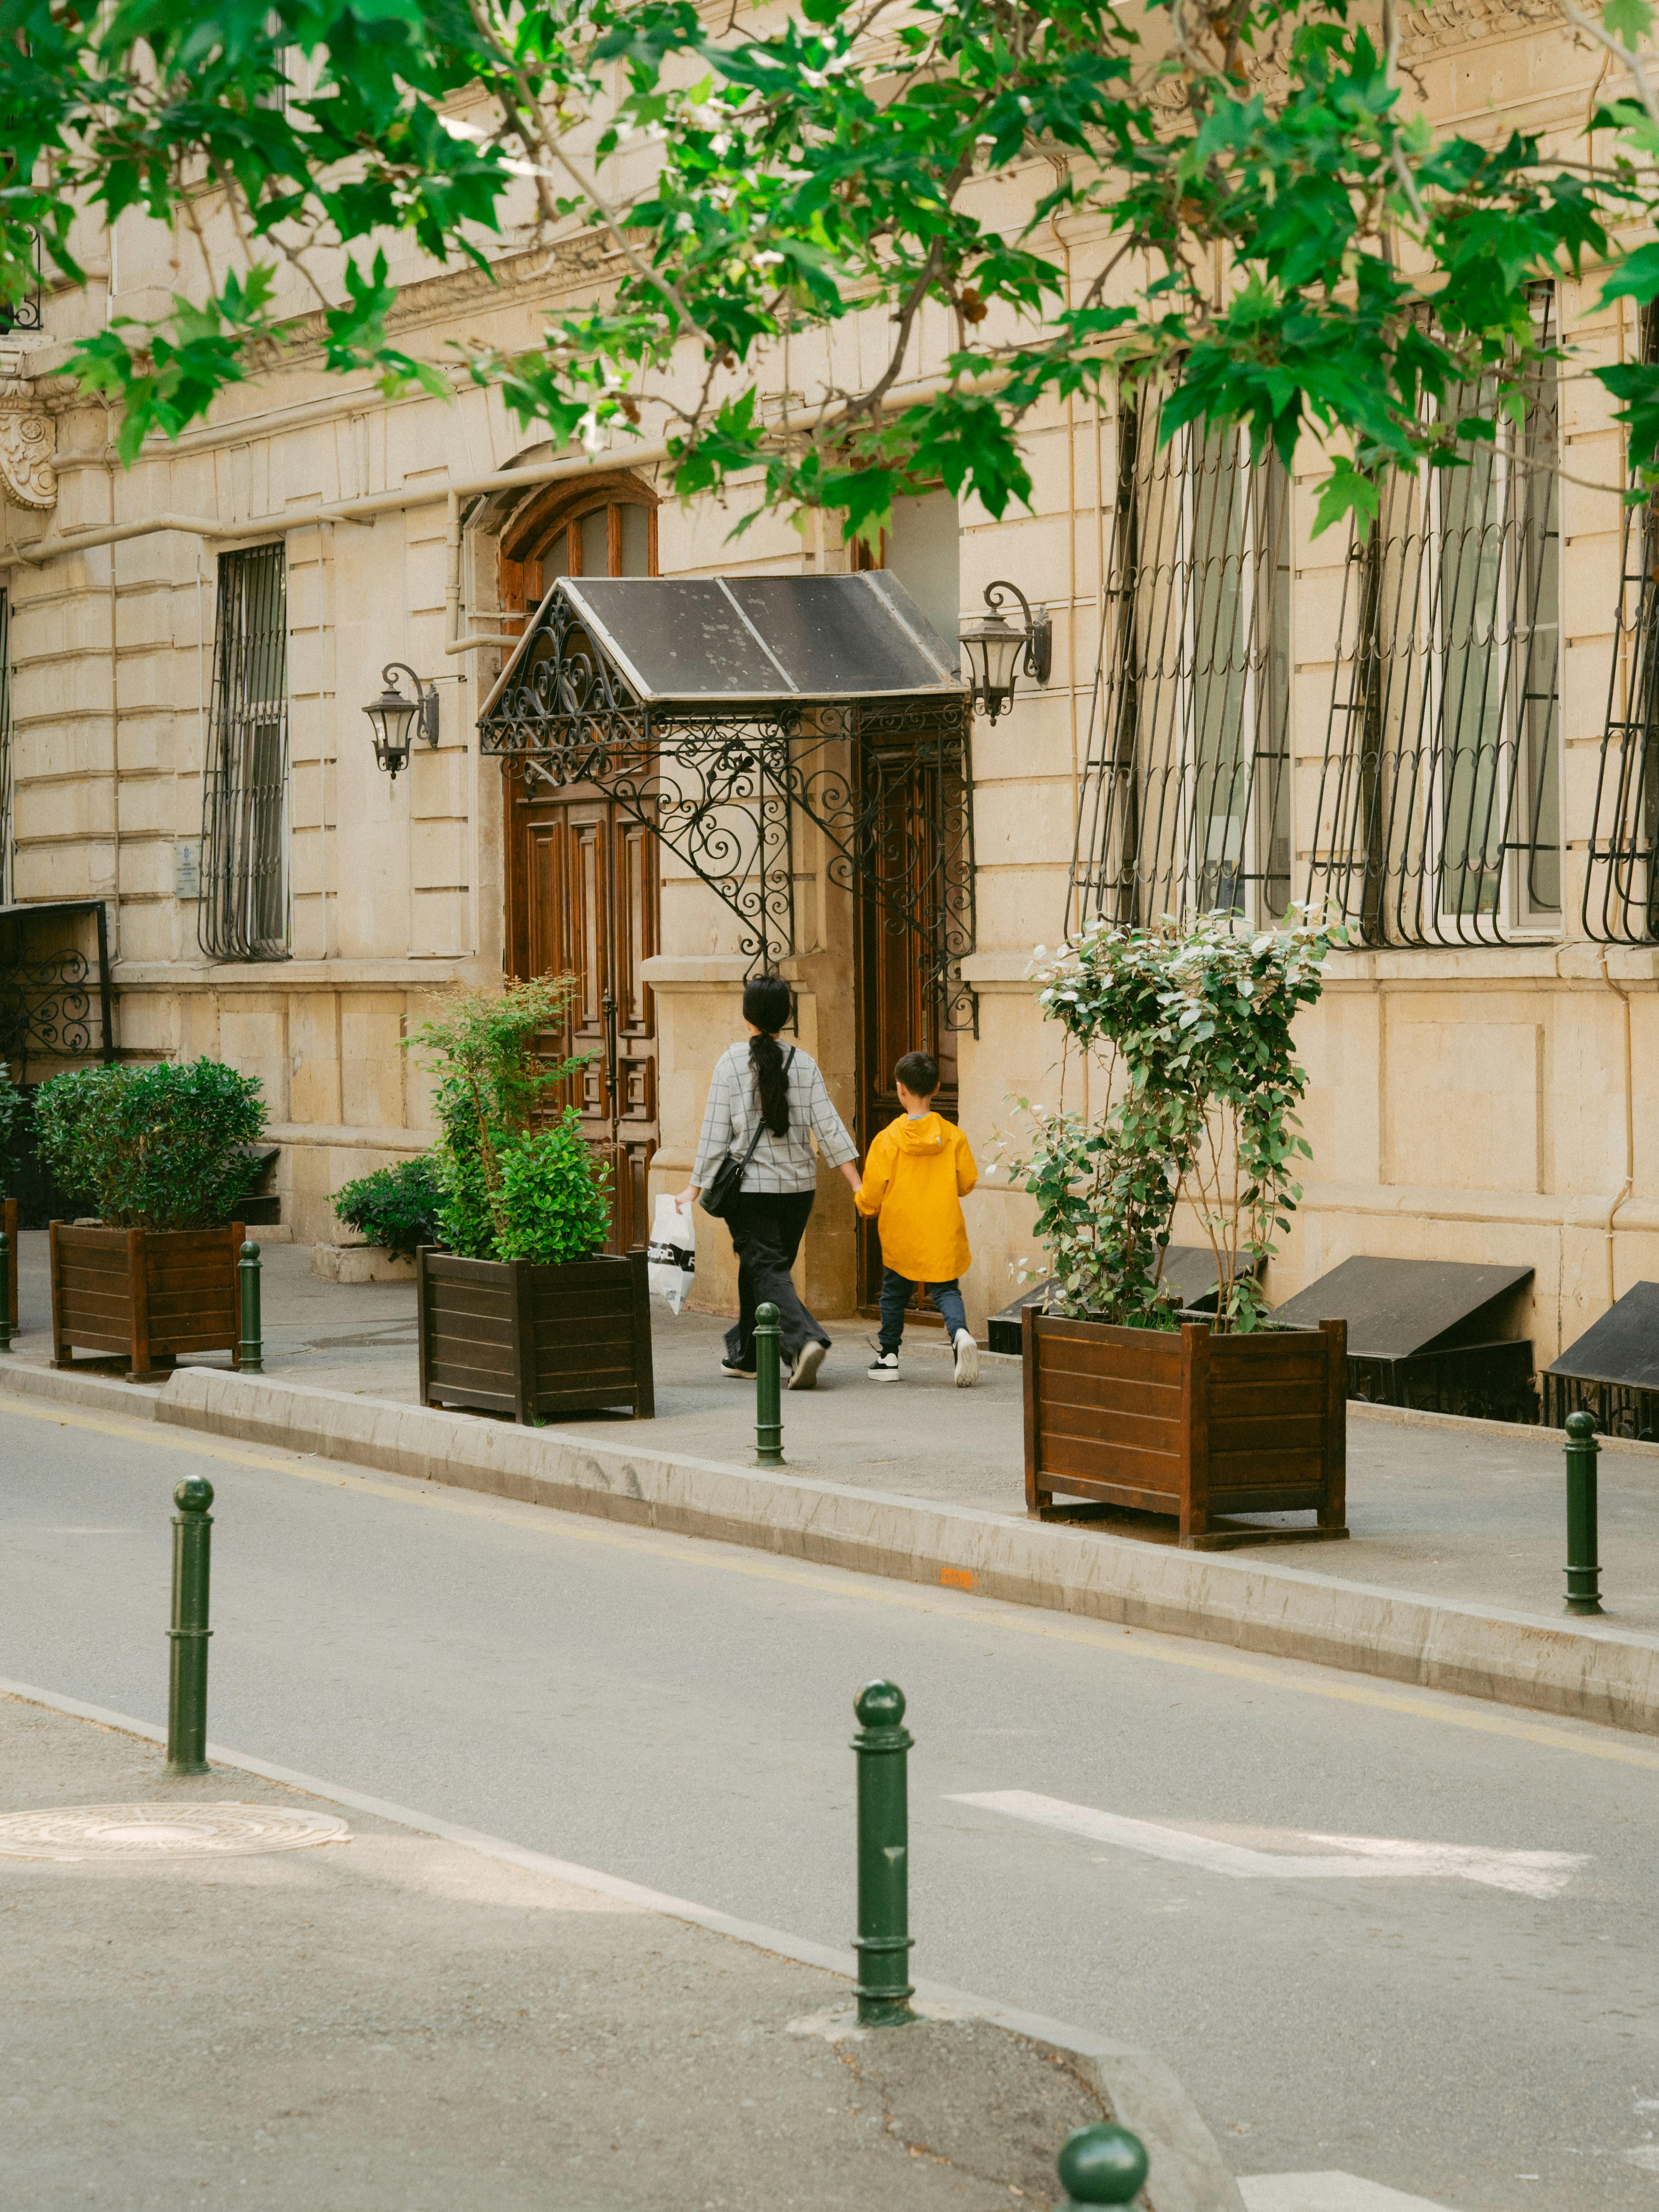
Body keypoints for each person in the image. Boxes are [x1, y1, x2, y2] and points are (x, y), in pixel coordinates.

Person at [682, 974, 860, 1390]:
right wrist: (855, 1182)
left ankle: (804, 1343)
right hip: (798, 1191)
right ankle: (747, 1355)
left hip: (750, 1192)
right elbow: (830, 1129)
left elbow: (714, 1135)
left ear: (748, 1016)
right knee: (763, 1269)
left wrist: (694, 1187)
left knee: (768, 1270)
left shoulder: (730, 1062)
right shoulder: (804, 1063)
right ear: (786, 1017)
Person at [855, 1050, 979, 1387]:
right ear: (938, 1088)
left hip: (902, 1232)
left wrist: (863, 1205)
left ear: (900, 1090)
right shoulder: (953, 1136)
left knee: (894, 1295)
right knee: (947, 1291)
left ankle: (889, 1356)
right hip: (942, 1228)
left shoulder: (888, 1140)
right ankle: (961, 1336)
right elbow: (967, 1182)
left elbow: (872, 1194)